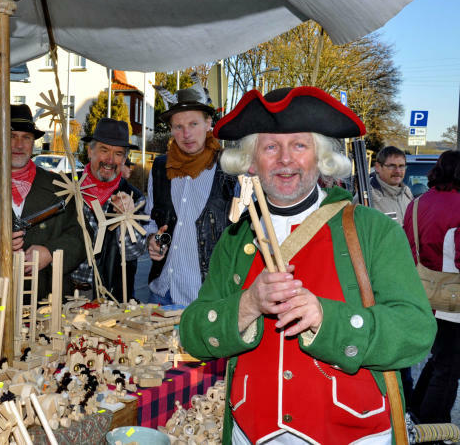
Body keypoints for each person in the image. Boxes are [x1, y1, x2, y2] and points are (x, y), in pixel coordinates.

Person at [179, 86, 436, 444]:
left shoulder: (373, 230)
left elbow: (417, 333)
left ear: (322, 158)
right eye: (270, 147)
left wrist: (327, 319)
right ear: (252, 161)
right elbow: (192, 334)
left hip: (354, 436)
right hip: (249, 433)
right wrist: (248, 305)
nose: (285, 159)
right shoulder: (236, 238)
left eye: (299, 145)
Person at [0, 104, 84, 332]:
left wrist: (51, 253)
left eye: (26, 137)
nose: (18, 145)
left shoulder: (60, 187)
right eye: (11, 136)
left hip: (45, 305)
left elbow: (79, 236)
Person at [145, 87, 236, 306]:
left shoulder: (230, 170)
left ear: (208, 124)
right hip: (161, 293)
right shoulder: (159, 168)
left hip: (207, 299)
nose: (186, 134)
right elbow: (149, 220)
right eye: (178, 126)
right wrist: (152, 241)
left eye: (193, 124)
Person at [403, 150, 460, 424]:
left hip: (422, 291)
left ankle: (416, 409)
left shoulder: (417, 203)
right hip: (454, 297)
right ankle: (432, 427)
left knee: (440, 358)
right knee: (449, 366)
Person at [70, 118, 147, 302]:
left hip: (108, 298)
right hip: (62, 293)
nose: (110, 160)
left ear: (125, 158)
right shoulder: (68, 189)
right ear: (90, 151)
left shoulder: (133, 198)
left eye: (118, 153)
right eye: (104, 150)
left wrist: (126, 219)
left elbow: (133, 252)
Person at [356, 145, 412, 221]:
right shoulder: (365, 198)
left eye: (401, 166)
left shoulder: (407, 194)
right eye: (392, 166)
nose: (398, 171)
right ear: (378, 167)